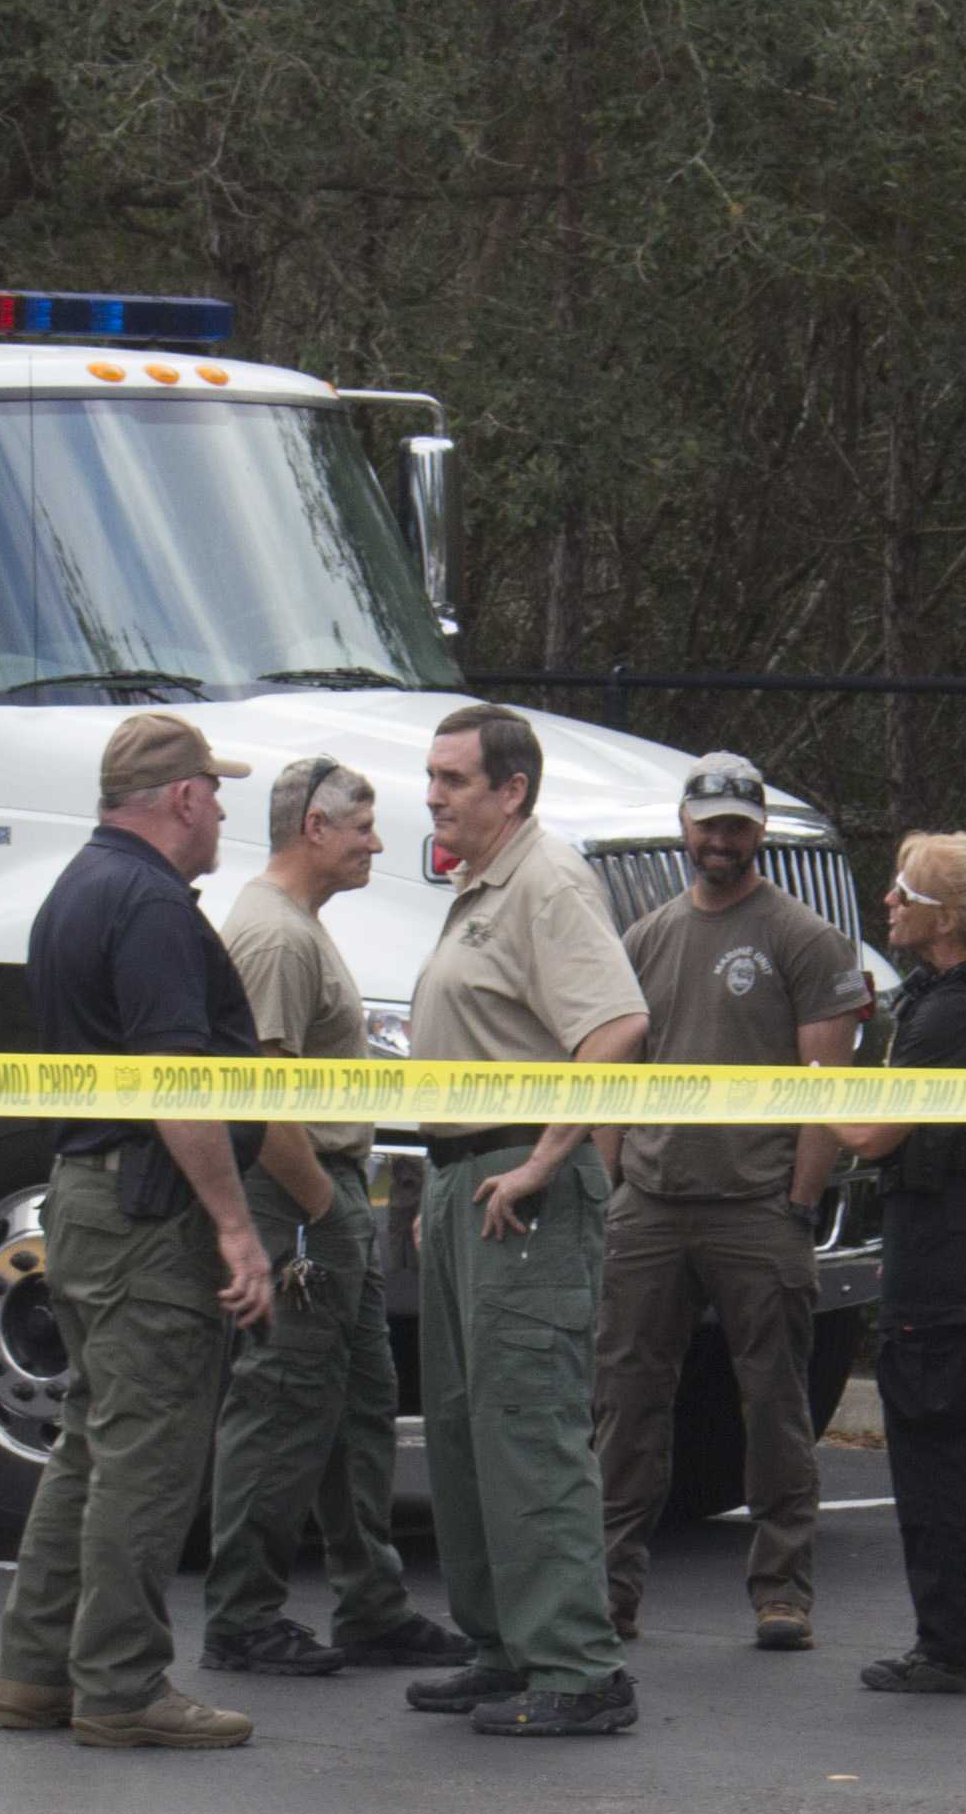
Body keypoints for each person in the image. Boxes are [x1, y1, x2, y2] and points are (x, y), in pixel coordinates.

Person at [0, 713, 280, 1750]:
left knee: (93, 1443)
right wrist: (237, 1229)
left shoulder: (78, 886)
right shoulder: (151, 904)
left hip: (86, 1193)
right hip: (147, 1207)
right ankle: (121, 1684)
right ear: (184, 798)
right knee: (149, 1451)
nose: (223, 812)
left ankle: (36, 1671)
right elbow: (176, 1082)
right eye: (216, 791)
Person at [402, 703, 651, 1738]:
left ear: (512, 789)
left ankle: (579, 1668)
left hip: (522, 1185)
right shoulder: (477, 889)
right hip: (470, 1179)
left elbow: (618, 1025)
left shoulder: (547, 882)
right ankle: (503, 1646)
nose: (433, 795)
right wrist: (443, 1185)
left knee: (529, 1425)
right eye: (431, 776)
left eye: (454, 779)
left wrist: (545, 1162)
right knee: (463, 1429)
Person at [199, 757, 476, 1684]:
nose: (377, 842)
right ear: (314, 828)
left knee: (358, 1405)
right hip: (302, 1198)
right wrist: (324, 1209)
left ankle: (373, 1605)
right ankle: (243, 1617)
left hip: (330, 1192)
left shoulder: (297, 927)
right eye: (362, 826)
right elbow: (259, 1099)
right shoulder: (274, 939)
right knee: (281, 1407)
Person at [596, 752, 870, 1651]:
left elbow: (827, 1084)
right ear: (685, 826)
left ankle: (782, 1591)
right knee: (626, 1405)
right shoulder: (645, 938)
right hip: (652, 1207)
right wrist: (619, 1180)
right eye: (708, 823)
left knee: (775, 1406)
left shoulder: (804, 938)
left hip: (756, 1207)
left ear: (759, 834)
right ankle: (606, 1592)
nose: (721, 840)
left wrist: (798, 1200)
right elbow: (613, 1071)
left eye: (737, 827)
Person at [827, 833, 966, 1694]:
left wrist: (810, 1092)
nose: (887, 903)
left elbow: (878, 1134)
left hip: (942, 1242)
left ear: (947, 918)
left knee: (931, 1443)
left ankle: (958, 1646)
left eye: (901, 892)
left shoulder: (949, 1014)